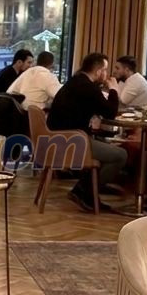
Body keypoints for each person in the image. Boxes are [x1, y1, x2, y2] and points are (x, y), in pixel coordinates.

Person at [47, 52, 128, 211]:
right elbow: (110, 112)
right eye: (105, 70)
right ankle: (85, 191)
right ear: (98, 71)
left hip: (56, 138)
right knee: (120, 155)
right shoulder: (88, 87)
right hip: (71, 141)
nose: (106, 73)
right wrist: (114, 90)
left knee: (104, 145)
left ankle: (88, 188)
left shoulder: (75, 82)